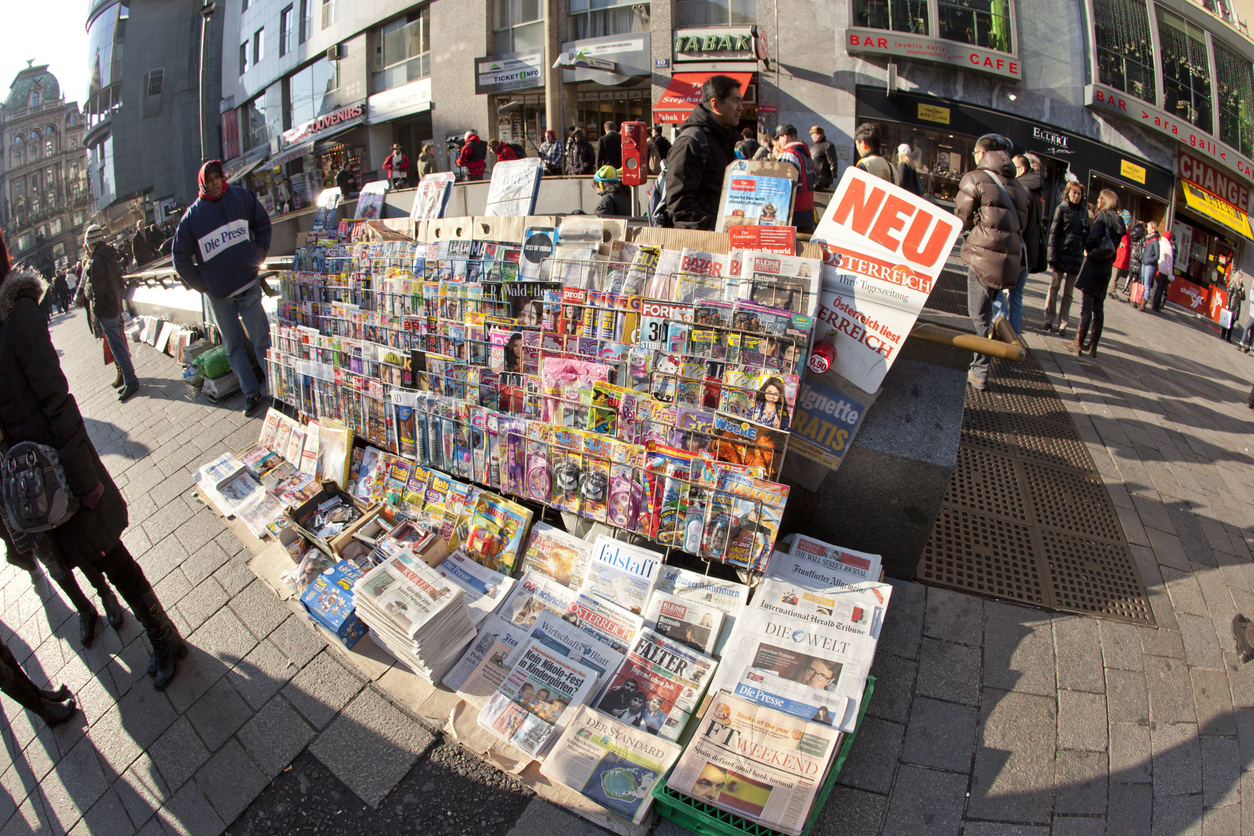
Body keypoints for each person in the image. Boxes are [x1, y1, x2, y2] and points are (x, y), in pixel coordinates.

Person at [0, 234, 187, 692]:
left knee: (109, 553)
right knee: (90, 556)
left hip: (61, 469)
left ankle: (163, 637)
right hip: (37, 480)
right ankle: (164, 636)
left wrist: (84, 481)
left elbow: (58, 400)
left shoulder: (18, 316)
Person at [172, 160, 273, 417]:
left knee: (262, 341)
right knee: (233, 347)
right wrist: (200, 285)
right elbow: (179, 257)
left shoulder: (241, 197)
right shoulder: (192, 218)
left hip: (249, 286)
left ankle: (276, 390)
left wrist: (259, 253)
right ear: (202, 183)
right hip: (219, 297)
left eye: (218, 177)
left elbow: (262, 223)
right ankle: (251, 394)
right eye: (210, 179)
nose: (215, 182)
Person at [953, 134, 1029, 392]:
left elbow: (960, 217)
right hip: (1010, 261)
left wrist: (969, 235)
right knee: (994, 312)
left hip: (982, 258)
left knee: (979, 315)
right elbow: (1023, 225)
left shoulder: (975, 178)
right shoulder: (1018, 187)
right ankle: (986, 361)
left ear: (982, 153)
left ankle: (979, 370)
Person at [663, 75, 741, 230]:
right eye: (736, 100)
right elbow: (680, 205)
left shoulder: (723, 139)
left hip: (721, 239)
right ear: (715, 104)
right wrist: (716, 229)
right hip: (701, 244)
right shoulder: (691, 142)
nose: (741, 107)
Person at [82, 224, 140, 402]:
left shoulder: (97, 260)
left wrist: (97, 314)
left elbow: (98, 291)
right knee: (120, 346)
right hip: (114, 305)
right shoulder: (108, 255)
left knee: (118, 349)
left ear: (90, 243)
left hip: (107, 310)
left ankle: (131, 382)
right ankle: (129, 380)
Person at [990, 154, 1043, 334]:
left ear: (1020, 169)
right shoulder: (1034, 189)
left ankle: (1002, 328)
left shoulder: (1022, 189)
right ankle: (1014, 334)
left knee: (995, 288)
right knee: (1016, 295)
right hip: (1026, 252)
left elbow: (1018, 223)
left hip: (1016, 249)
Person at [1069, 189, 1126, 359]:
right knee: (1098, 308)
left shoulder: (1103, 217)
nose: (1098, 201)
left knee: (1086, 307)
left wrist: (1088, 242)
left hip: (1094, 264)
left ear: (1105, 201)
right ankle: (1093, 346)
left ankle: (1078, 343)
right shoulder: (1119, 220)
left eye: (1100, 198)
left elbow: (1093, 239)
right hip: (1107, 266)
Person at [1044, 181, 1089, 335]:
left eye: (1079, 193)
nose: (1076, 196)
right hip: (1062, 253)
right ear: (1068, 193)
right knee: (1054, 288)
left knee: (1069, 293)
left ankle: (1063, 324)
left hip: (1076, 256)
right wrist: (1052, 255)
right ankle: (1049, 319)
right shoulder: (1062, 208)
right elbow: (1054, 233)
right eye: (1074, 193)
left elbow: (1086, 236)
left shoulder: (1084, 212)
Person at [771, 124, 816, 234]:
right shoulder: (806, 154)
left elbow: (782, 185)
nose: (778, 142)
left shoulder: (788, 155)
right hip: (808, 210)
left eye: (779, 138)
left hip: (794, 212)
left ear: (785, 137)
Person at [1136, 221, 1160, 310]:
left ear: (1153, 229)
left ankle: (1143, 303)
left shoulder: (1155, 241)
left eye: (1149, 227)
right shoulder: (1149, 239)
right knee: (1142, 281)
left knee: (1147, 284)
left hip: (1149, 265)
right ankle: (1138, 299)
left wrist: (1149, 260)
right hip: (1145, 263)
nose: (1147, 228)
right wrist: (1143, 258)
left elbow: (1157, 256)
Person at [1151, 229, 1174, 312]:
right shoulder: (1169, 247)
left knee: (1155, 286)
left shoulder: (1159, 243)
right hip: (1164, 271)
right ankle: (1156, 305)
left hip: (1157, 267)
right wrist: (1170, 274)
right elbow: (1170, 262)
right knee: (1161, 288)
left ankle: (1152, 302)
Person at [1221, 271, 1246, 342]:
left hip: (1237, 307)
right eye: (1241, 278)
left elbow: (1243, 298)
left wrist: (1243, 291)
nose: (1242, 280)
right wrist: (1227, 304)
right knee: (1228, 320)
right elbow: (1229, 295)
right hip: (1232, 305)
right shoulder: (1233, 285)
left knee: (1233, 322)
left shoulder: (1241, 287)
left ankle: (1228, 336)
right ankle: (1223, 333)